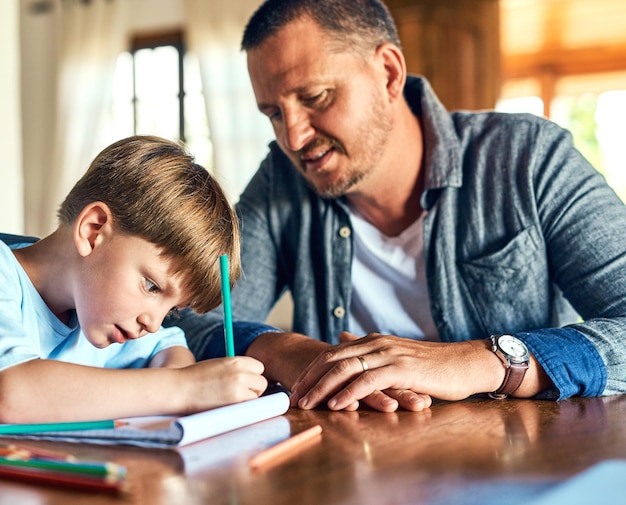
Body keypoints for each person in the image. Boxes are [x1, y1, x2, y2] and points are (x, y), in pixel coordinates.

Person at [169, 0, 626, 413]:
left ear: (388, 72)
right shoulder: (281, 180)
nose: (292, 137)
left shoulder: (529, 157)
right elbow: (189, 318)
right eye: (273, 112)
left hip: (517, 471)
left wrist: (476, 362)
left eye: (315, 98)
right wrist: (286, 350)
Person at [0, 135, 267, 423]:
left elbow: (169, 348)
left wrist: (183, 377)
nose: (152, 324)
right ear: (93, 231)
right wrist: (188, 388)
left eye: (172, 310)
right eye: (152, 286)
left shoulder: (99, 313)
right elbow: (11, 394)